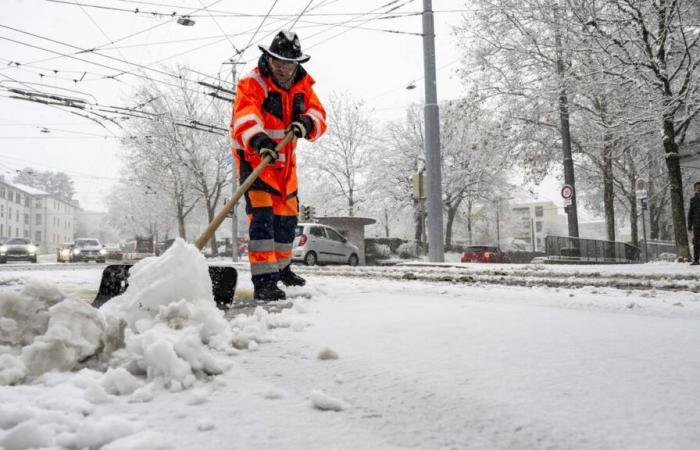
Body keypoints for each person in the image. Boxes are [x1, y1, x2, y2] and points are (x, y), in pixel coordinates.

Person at [231, 31, 327, 300]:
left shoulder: (303, 84)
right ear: (269, 58)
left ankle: (283, 269)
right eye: (277, 61)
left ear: (296, 63)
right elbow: (245, 116)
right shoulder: (253, 83)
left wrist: (306, 123)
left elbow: (318, 113)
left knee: (286, 223)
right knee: (263, 223)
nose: (282, 67)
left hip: (286, 168)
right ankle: (264, 281)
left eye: (288, 62)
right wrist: (260, 142)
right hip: (256, 161)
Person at [688, 181, 700, 265]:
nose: (698, 188)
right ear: (695, 189)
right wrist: (689, 225)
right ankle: (696, 260)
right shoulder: (693, 200)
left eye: (699, 187)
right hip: (697, 225)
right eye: (697, 187)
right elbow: (690, 213)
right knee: (696, 242)